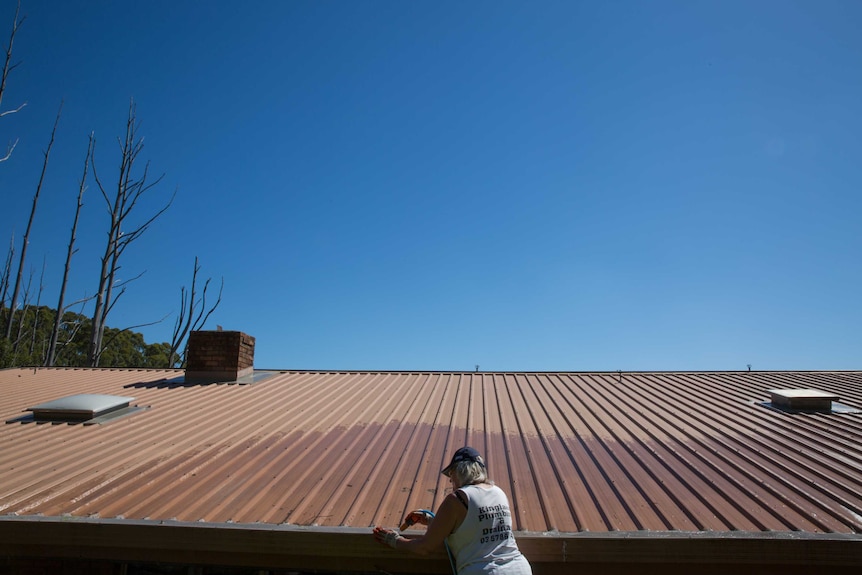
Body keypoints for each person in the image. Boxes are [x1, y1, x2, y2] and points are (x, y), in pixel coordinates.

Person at [373, 446, 532, 575]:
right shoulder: (498, 492)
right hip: (519, 568)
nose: (450, 479)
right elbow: (477, 527)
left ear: (462, 470)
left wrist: (393, 540)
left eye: (452, 473)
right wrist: (430, 521)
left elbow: (424, 547)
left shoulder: (458, 499)